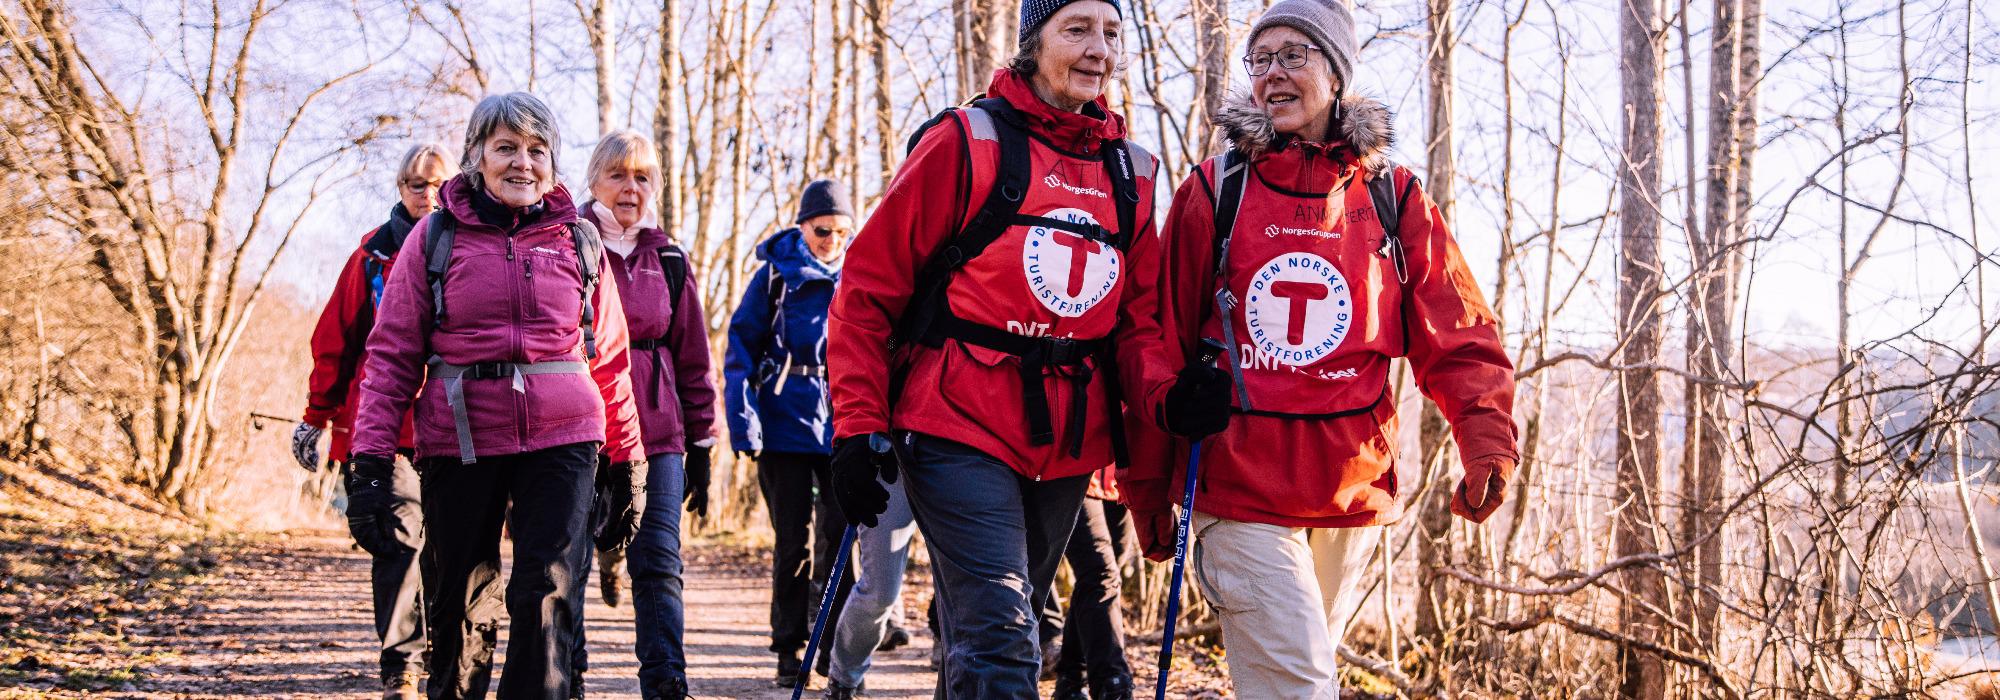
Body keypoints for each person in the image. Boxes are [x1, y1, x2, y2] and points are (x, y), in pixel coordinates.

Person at [1125, 1, 1520, 696]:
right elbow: (1157, 341)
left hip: (1350, 495)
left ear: (1336, 75)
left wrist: (1486, 436)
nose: (1273, 73)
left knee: (1295, 680)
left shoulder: (1393, 198)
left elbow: (1457, 331)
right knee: (1300, 687)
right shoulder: (1213, 193)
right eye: (1261, 59)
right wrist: (1148, 486)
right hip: (1239, 486)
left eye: (1294, 56)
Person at [825, 0, 1172, 694]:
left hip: (1067, 442)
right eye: (1076, 29)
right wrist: (858, 426)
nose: (1098, 48)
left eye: (1110, 32)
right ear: (1032, 43)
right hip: (955, 418)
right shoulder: (966, 142)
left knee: (992, 633)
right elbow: (867, 289)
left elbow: (1140, 325)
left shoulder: (1132, 172)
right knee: (1004, 640)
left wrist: (1169, 397)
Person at [349, 92, 648, 700]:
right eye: (506, 147)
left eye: (537, 150)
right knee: (460, 595)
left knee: (548, 593)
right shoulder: (434, 238)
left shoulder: (579, 241)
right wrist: (371, 462)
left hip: (565, 436)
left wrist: (629, 462)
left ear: (553, 164)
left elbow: (612, 362)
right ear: (476, 158)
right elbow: (392, 354)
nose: (523, 163)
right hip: (460, 435)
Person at [292, 143, 455, 700]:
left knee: (450, 547)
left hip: (460, 427)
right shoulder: (372, 255)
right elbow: (334, 339)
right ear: (400, 189)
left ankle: (445, 654)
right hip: (389, 428)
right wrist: (317, 418)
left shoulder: (472, 247)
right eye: (416, 185)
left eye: (437, 185)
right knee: (402, 539)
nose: (427, 196)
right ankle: (401, 667)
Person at [566, 130, 716, 700]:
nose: (631, 188)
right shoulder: (564, 242)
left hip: (658, 433)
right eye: (619, 175)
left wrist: (701, 443)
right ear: (595, 180)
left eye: (643, 177)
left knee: (658, 561)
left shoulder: (669, 257)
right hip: (579, 430)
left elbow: (694, 357)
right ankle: (567, 679)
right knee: (568, 563)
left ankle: (666, 683)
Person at [725, 178, 854, 688]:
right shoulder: (774, 276)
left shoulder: (860, 274)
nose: (832, 241)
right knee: (792, 543)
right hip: (783, 427)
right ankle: (788, 647)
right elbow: (740, 349)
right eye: (823, 230)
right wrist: (744, 422)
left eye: (842, 231)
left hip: (845, 423)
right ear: (803, 226)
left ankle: (834, 648)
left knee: (842, 539)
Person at [1050, 468, 1134, 700]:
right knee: (1100, 573)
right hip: (1076, 468)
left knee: (1101, 578)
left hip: (1122, 474)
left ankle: (1071, 680)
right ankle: (1112, 684)